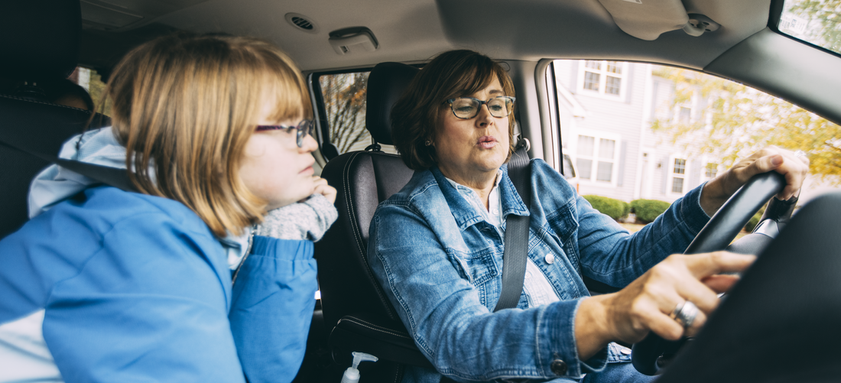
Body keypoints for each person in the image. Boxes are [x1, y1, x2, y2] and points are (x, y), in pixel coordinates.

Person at [367, 50, 809, 383]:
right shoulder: (404, 221)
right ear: (426, 129)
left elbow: (622, 259)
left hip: (604, 365)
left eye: (497, 102)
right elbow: (458, 341)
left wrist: (721, 189)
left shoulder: (535, 182)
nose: (488, 117)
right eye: (464, 104)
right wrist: (607, 317)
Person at [0, 33, 337, 383]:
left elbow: (257, 372)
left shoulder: (192, 225)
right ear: (210, 137)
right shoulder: (137, 239)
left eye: (307, 127)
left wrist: (286, 230)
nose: (311, 143)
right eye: (291, 129)